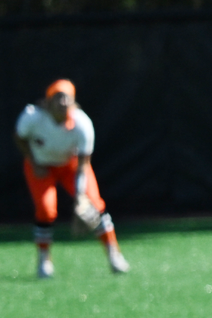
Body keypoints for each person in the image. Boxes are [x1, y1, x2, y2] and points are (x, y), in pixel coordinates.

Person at [14, 79, 130, 278]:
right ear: (48, 101)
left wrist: (80, 199)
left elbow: (83, 164)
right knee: (46, 210)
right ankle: (44, 260)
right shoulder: (32, 117)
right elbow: (20, 137)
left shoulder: (82, 123)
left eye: (67, 98)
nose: (63, 102)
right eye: (58, 97)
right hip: (42, 166)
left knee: (94, 205)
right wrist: (33, 162)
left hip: (71, 166)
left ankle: (114, 254)